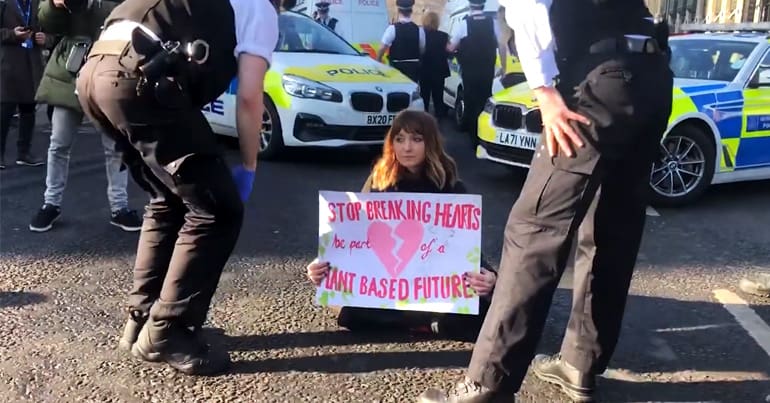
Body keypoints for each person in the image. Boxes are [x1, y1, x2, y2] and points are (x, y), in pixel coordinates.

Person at [418, 0, 673, 402]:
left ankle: (487, 383)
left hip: (598, 82)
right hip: (654, 76)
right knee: (614, 223)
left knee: (535, 230)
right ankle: (580, 362)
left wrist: (543, 90)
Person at [75, 0, 282, 375]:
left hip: (94, 72)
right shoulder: (261, 8)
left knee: (167, 200)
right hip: (137, 79)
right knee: (218, 209)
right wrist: (249, 165)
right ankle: (170, 330)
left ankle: (142, 319)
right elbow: (251, 96)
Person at [307, 110, 497, 341]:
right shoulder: (380, 181)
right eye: (400, 139)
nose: (407, 147)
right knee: (343, 304)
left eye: (416, 139)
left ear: (431, 143)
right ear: (391, 143)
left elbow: (467, 246)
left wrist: (489, 278)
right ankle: (426, 323)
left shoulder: (452, 186)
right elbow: (353, 236)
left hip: (432, 285)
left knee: (484, 307)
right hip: (390, 285)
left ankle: (413, 322)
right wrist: (325, 265)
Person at [29, 0, 143, 233]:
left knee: (115, 146)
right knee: (59, 144)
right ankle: (51, 203)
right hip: (69, 73)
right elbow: (48, 21)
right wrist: (55, 3)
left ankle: (119, 208)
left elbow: (132, 17)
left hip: (110, 67)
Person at [447, 0, 507, 137]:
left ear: (470, 5)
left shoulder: (464, 24)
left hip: (469, 72)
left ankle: (473, 135)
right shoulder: (493, 23)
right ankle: (482, 134)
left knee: (470, 102)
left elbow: (452, 47)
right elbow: (502, 45)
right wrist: (504, 67)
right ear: (483, 4)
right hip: (487, 72)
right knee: (484, 101)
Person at [0, 0, 46, 169]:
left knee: (28, 110)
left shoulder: (37, 4)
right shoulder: (4, 3)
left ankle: (24, 152)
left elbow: (50, 31)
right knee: (4, 111)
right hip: (8, 66)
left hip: (31, 64)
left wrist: (45, 38)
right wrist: (12, 34)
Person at [376, 0, 424, 83]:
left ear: (398, 10)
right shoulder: (419, 30)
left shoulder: (392, 29)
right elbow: (422, 49)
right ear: (411, 11)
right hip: (413, 69)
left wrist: (378, 62)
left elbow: (382, 48)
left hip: (397, 69)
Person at [418, 11, 449, 118]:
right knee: (438, 97)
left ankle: (424, 119)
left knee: (424, 96)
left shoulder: (421, 35)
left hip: (425, 70)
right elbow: (449, 53)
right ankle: (438, 120)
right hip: (439, 71)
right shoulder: (444, 36)